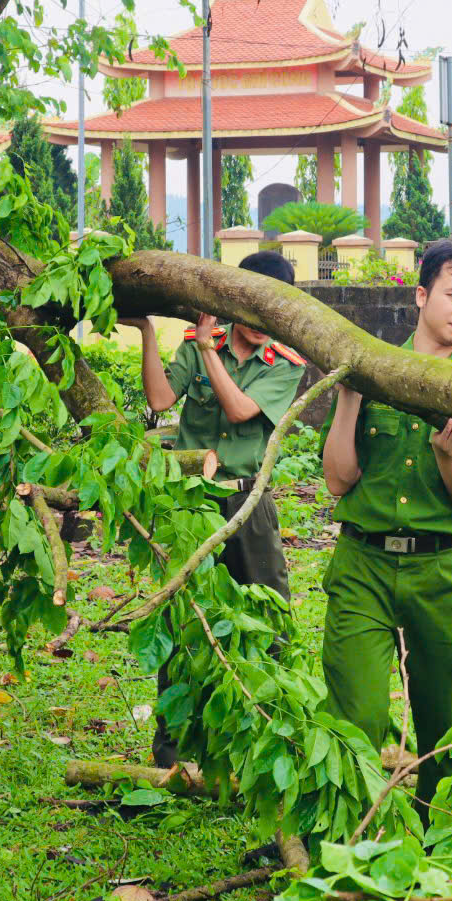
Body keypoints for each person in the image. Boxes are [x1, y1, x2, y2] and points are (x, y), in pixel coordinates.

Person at [319, 240, 452, 812]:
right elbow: (338, 481)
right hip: (363, 565)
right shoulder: (371, 365)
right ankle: (334, 844)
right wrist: (352, 397)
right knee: (355, 713)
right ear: (422, 294)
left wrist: (450, 457)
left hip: (439, 569)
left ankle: (442, 840)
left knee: (445, 714)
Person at [123, 250, 308, 767]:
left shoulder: (287, 364)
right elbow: (161, 400)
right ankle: (173, 756)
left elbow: (240, 410)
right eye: (245, 305)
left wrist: (208, 350)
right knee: (185, 621)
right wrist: (147, 334)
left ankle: (263, 748)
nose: (255, 321)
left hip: (247, 502)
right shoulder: (197, 341)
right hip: (192, 505)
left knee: (265, 618)